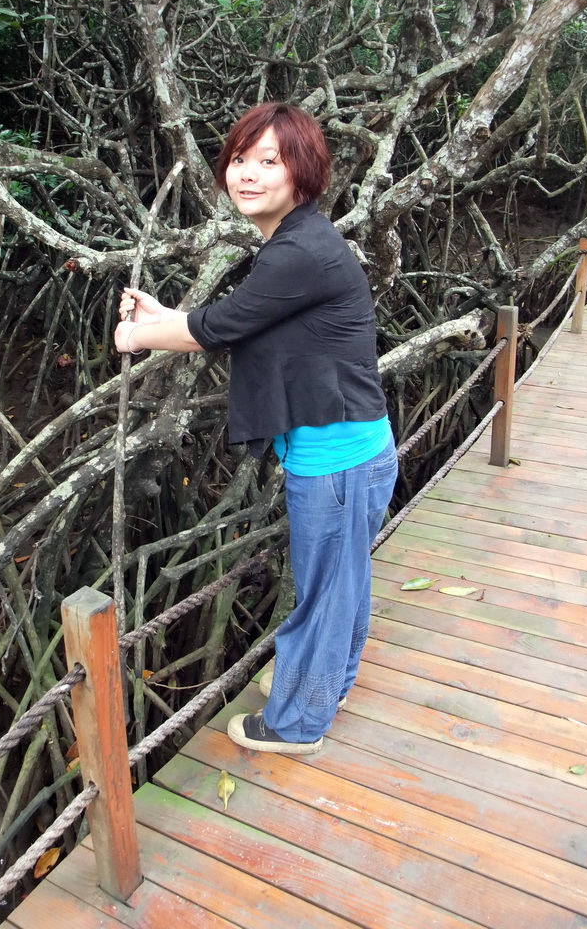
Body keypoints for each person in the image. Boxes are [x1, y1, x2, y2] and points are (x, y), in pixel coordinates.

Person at [115, 102, 397, 756]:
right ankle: (326, 685)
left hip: (337, 460)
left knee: (327, 592)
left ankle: (298, 723)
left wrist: (136, 333)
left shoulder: (299, 252)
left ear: (302, 172)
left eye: (268, 161)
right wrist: (165, 315)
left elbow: (219, 328)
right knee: (341, 584)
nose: (247, 174)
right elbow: (239, 319)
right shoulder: (297, 245)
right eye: (240, 159)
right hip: (348, 451)